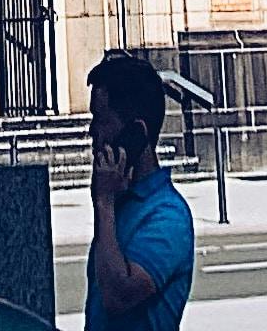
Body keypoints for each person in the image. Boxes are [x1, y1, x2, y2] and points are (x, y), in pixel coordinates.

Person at [86, 54, 195, 331]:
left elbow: (119, 294)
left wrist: (104, 203)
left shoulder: (168, 215)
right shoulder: (121, 201)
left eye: (100, 120)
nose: (92, 132)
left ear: (136, 132)